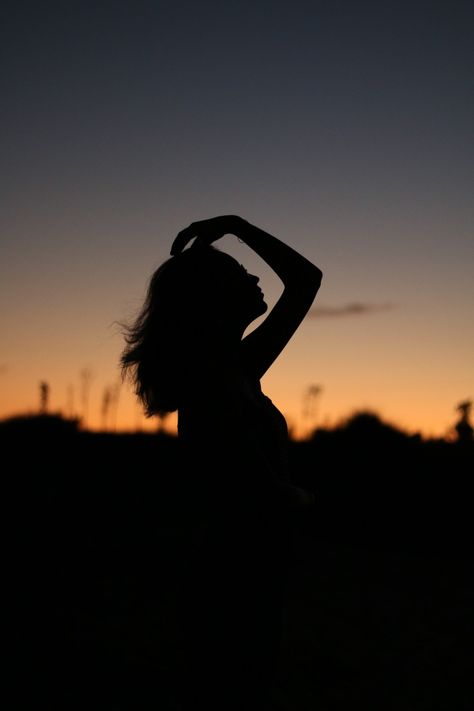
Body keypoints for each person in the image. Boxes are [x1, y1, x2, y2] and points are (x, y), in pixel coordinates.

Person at [120, 215, 322, 710]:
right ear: (210, 300)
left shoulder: (236, 369)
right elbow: (264, 494)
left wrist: (236, 225)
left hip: (249, 574)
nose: (255, 279)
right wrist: (306, 498)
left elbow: (305, 281)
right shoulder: (214, 389)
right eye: (238, 272)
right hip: (233, 584)